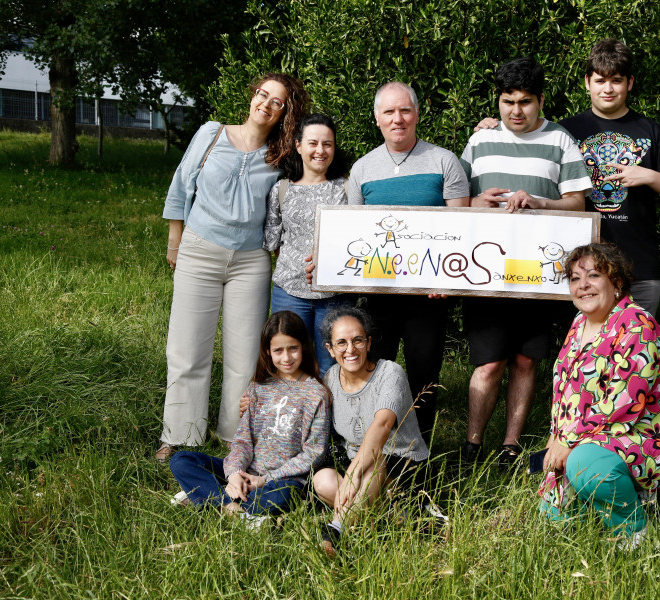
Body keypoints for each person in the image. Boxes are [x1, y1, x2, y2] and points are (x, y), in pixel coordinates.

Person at [156, 73, 307, 462]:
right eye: (262, 94)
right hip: (199, 251)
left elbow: (319, 177)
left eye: (278, 101)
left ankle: (232, 438)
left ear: (285, 113)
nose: (266, 103)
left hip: (251, 262)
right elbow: (180, 186)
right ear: (252, 96)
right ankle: (180, 434)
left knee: (244, 358)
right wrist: (175, 244)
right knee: (187, 349)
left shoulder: (282, 156)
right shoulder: (211, 133)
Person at [459, 57, 591, 466]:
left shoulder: (561, 141)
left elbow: (578, 203)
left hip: (540, 276)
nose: (516, 111)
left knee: (525, 359)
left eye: (525, 102)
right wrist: (476, 202)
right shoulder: (478, 142)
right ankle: (472, 443)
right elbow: (455, 202)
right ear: (498, 101)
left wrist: (539, 202)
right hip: (485, 272)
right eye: (507, 101)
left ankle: (510, 446)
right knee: (489, 362)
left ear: (541, 101)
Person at [537, 243, 660, 547]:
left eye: (594, 275)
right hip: (591, 435)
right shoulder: (578, 324)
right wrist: (554, 436)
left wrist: (568, 442)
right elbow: (566, 392)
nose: (583, 285)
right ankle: (601, 501)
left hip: (645, 436)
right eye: (574, 278)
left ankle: (635, 534)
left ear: (617, 282)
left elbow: (621, 402)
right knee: (554, 523)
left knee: (585, 465)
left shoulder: (638, 324)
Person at [346, 81, 470, 444]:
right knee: (374, 372)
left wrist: (447, 281)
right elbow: (355, 236)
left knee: (423, 377)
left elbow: (461, 230)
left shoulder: (444, 161)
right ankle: (373, 449)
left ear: (416, 113)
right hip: (379, 295)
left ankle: (419, 450)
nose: (397, 119)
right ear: (377, 118)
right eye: (389, 112)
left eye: (404, 110)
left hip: (429, 297)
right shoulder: (362, 169)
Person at [559, 39, 660, 315]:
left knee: (636, 351)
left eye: (617, 80)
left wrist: (648, 175)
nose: (608, 88)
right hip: (582, 269)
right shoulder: (565, 131)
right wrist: (493, 127)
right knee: (589, 351)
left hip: (639, 266)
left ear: (630, 83)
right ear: (587, 82)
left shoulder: (650, 131)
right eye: (600, 80)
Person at [168, 311, 330, 523]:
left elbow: (314, 454)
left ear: (304, 347)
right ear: (267, 351)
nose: (286, 357)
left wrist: (264, 480)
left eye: (293, 348)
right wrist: (235, 474)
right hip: (246, 471)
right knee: (181, 460)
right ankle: (233, 508)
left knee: (284, 496)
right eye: (278, 350)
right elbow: (243, 440)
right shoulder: (258, 387)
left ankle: (207, 496)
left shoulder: (316, 394)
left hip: (283, 480)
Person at [312, 305, 429, 557]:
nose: (350, 349)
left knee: (374, 464)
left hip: (401, 464)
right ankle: (391, 514)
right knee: (322, 480)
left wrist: (352, 476)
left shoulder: (390, 373)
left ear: (369, 342)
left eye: (357, 340)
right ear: (330, 350)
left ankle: (337, 529)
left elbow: (383, 426)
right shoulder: (330, 379)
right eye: (341, 343)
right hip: (357, 465)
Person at [264, 114, 359, 375]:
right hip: (289, 292)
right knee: (290, 363)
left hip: (336, 295)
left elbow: (361, 240)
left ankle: (332, 416)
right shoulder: (281, 189)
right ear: (298, 146)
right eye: (313, 143)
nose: (320, 150)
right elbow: (274, 242)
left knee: (333, 365)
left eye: (327, 144)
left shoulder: (348, 189)